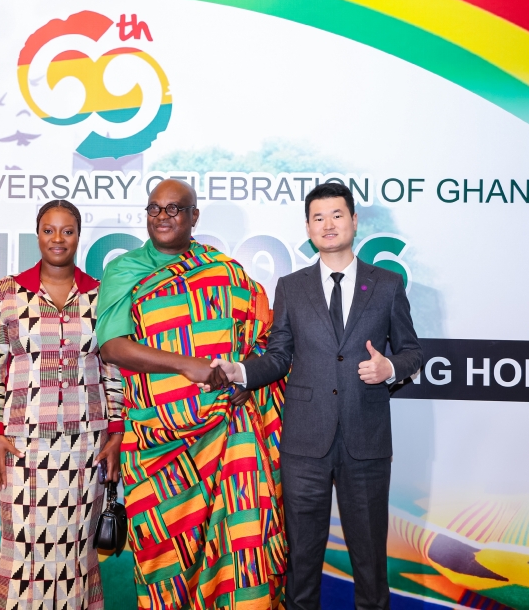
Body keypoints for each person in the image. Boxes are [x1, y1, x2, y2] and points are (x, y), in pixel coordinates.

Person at [213, 182, 423, 610]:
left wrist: (389, 369)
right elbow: (279, 356)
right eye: (318, 217)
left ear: (354, 221)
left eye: (337, 215)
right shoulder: (291, 287)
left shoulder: (386, 284)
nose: (328, 224)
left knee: (370, 561)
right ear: (308, 228)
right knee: (302, 561)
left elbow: (412, 351)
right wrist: (241, 372)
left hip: (366, 440)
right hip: (305, 442)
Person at [97, 179, 287, 610]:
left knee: (240, 540)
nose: (162, 217)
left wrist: (245, 378)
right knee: (166, 557)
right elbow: (112, 347)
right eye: (154, 209)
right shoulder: (125, 270)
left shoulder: (227, 272)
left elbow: (261, 337)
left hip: (229, 434)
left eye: (174, 209)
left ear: (194, 216)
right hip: (157, 439)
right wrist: (186, 364)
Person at [0, 199, 125, 610]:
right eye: (49, 230)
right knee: (22, 548)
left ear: (78, 236)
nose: (58, 239)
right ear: (37, 234)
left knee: (77, 552)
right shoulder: (7, 292)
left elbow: (113, 369)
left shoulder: (101, 295)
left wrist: (115, 432)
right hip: (22, 445)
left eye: (67, 231)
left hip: (85, 447)